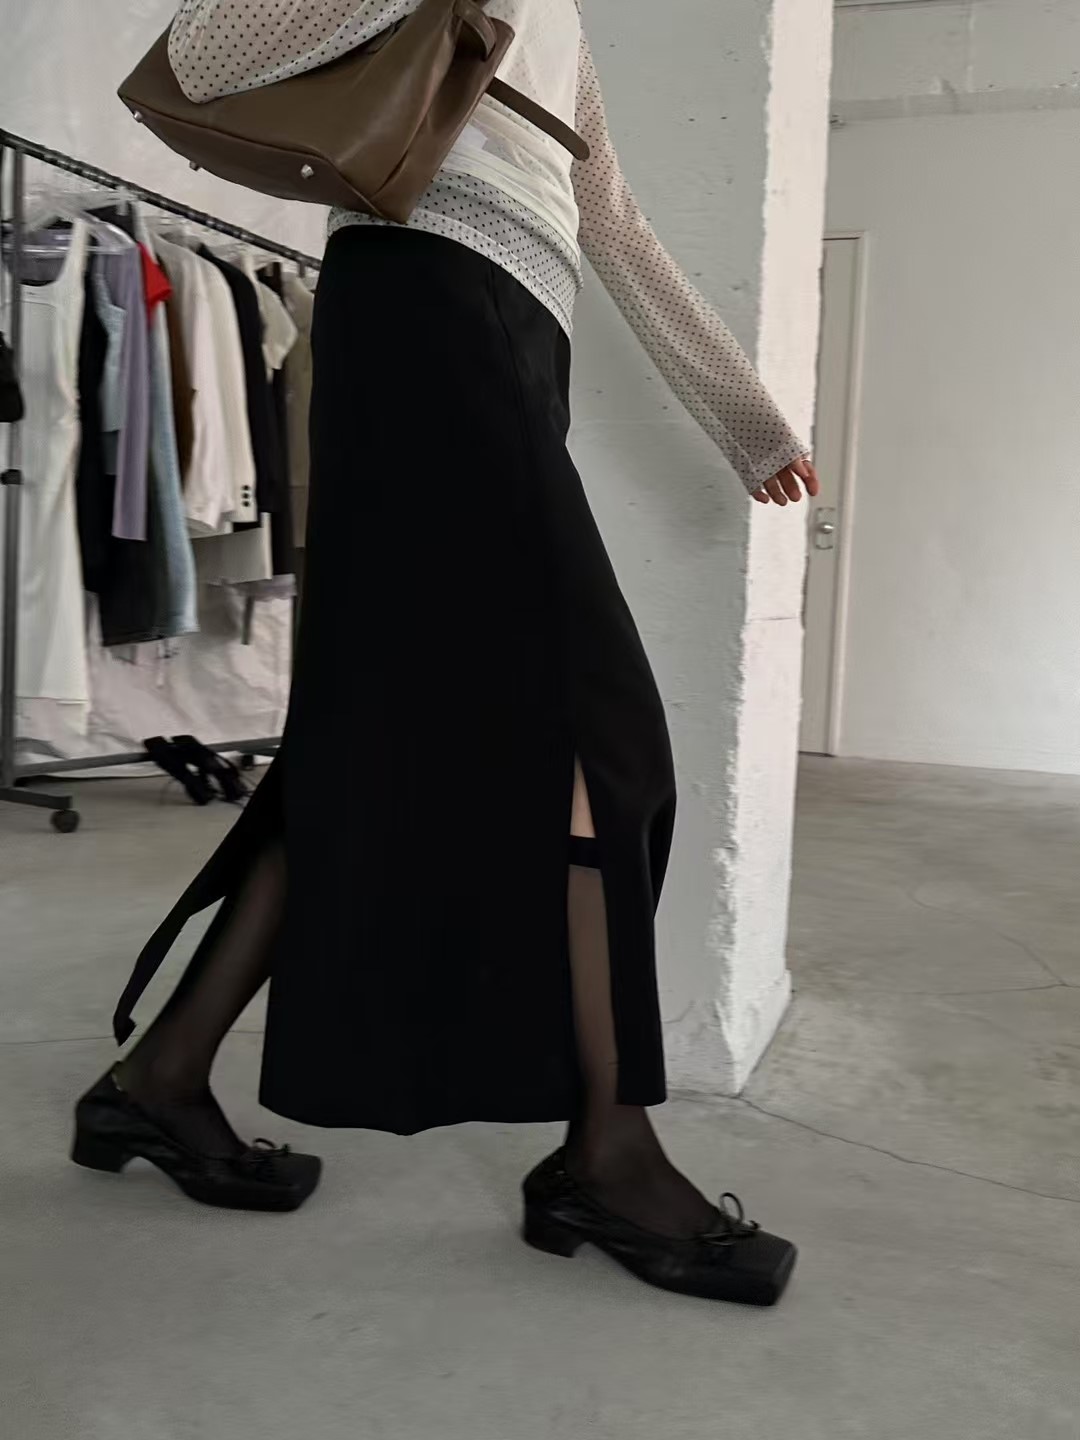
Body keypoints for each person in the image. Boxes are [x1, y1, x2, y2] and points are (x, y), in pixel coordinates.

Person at [73, 0, 819, 1307]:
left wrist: (747, 420)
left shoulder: (561, 19)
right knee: (601, 742)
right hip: (425, 317)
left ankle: (161, 1077)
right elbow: (202, 56)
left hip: (514, 347)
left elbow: (610, 220)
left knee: (367, 744)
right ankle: (607, 1151)